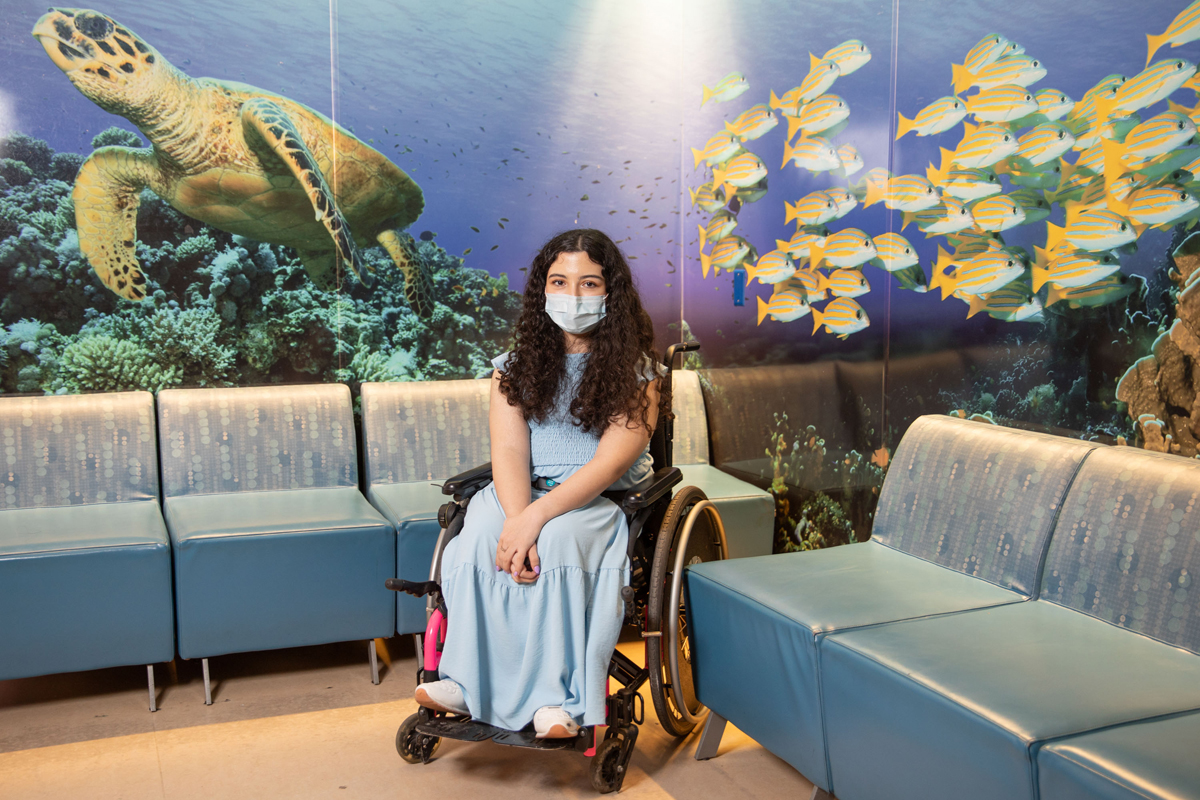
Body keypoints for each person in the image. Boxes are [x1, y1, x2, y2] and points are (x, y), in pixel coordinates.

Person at [413, 228, 667, 739]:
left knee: (558, 543)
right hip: (519, 488)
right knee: (474, 542)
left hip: (599, 495)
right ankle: (465, 681)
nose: (573, 296)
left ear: (610, 292)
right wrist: (516, 515)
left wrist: (535, 519)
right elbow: (508, 450)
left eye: (589, 283)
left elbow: (609, 465)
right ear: (542, 290)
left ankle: (558, 700)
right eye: (560, 281)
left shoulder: (639, 373)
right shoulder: (513, 368)